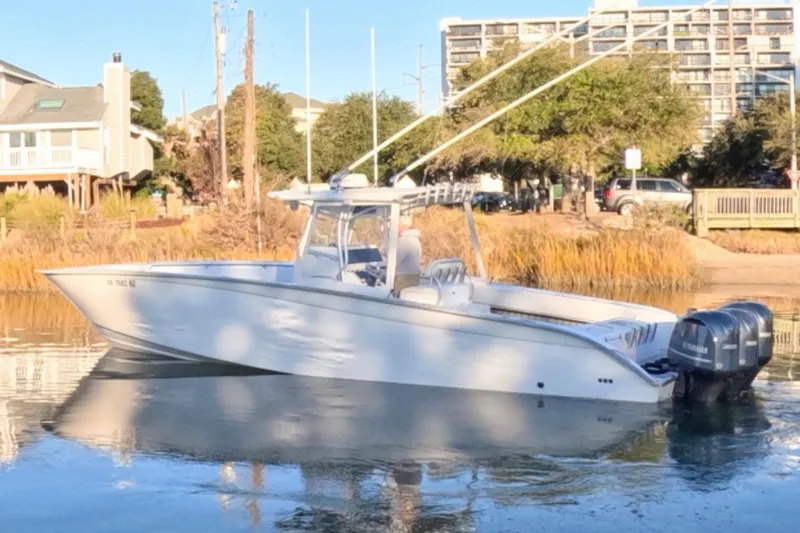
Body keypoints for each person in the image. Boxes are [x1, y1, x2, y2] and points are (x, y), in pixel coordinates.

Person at [393, 214, 421, 296]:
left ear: (403, 226)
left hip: (403, 277)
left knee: (398, 300)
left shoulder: (404, 240)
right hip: (414, 275)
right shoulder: (415, 239)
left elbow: (395, 261)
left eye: (397, 225)